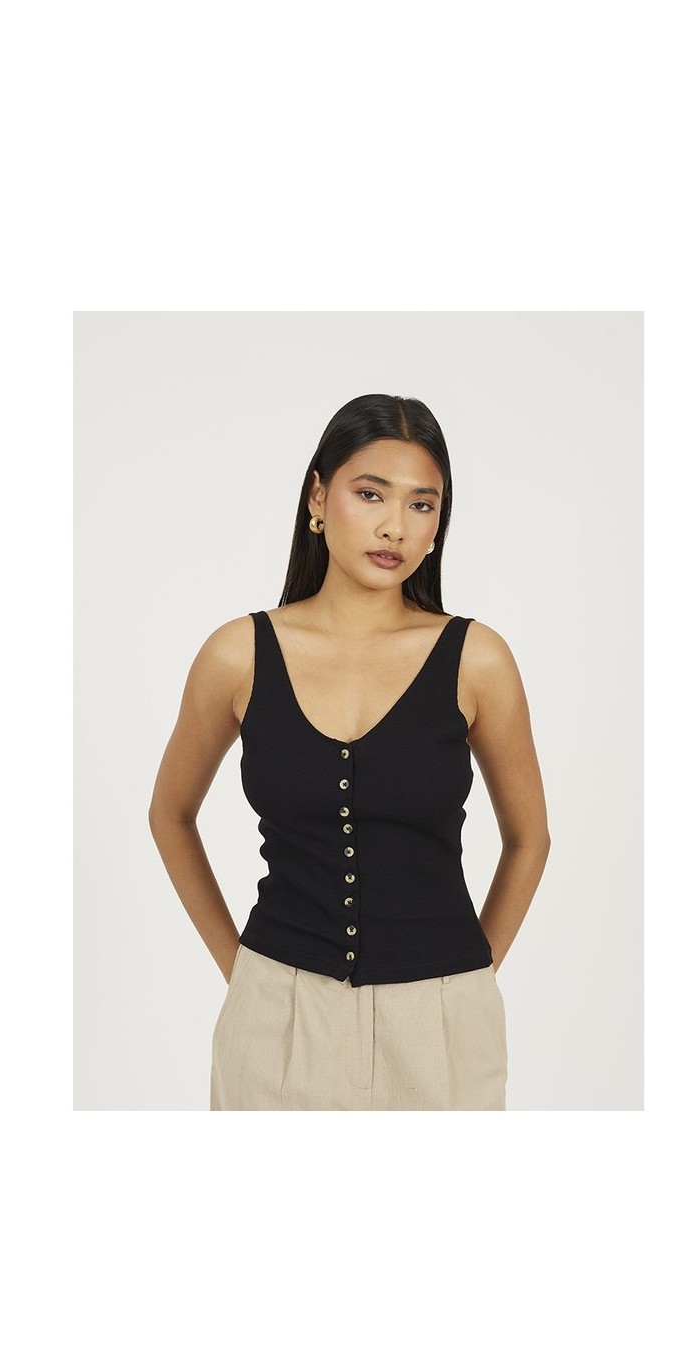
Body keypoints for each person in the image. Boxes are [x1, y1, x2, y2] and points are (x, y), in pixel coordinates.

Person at [148, 393, 550, 1110]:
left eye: (422, 505)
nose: (395, 526)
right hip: (275, 1018)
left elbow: (530, 839)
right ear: (317, 496)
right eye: (370, 494)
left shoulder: (477, 659)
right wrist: (244, 972)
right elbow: (170, 815)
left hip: (442, 1024)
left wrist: (469, 982)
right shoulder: (238, 655)